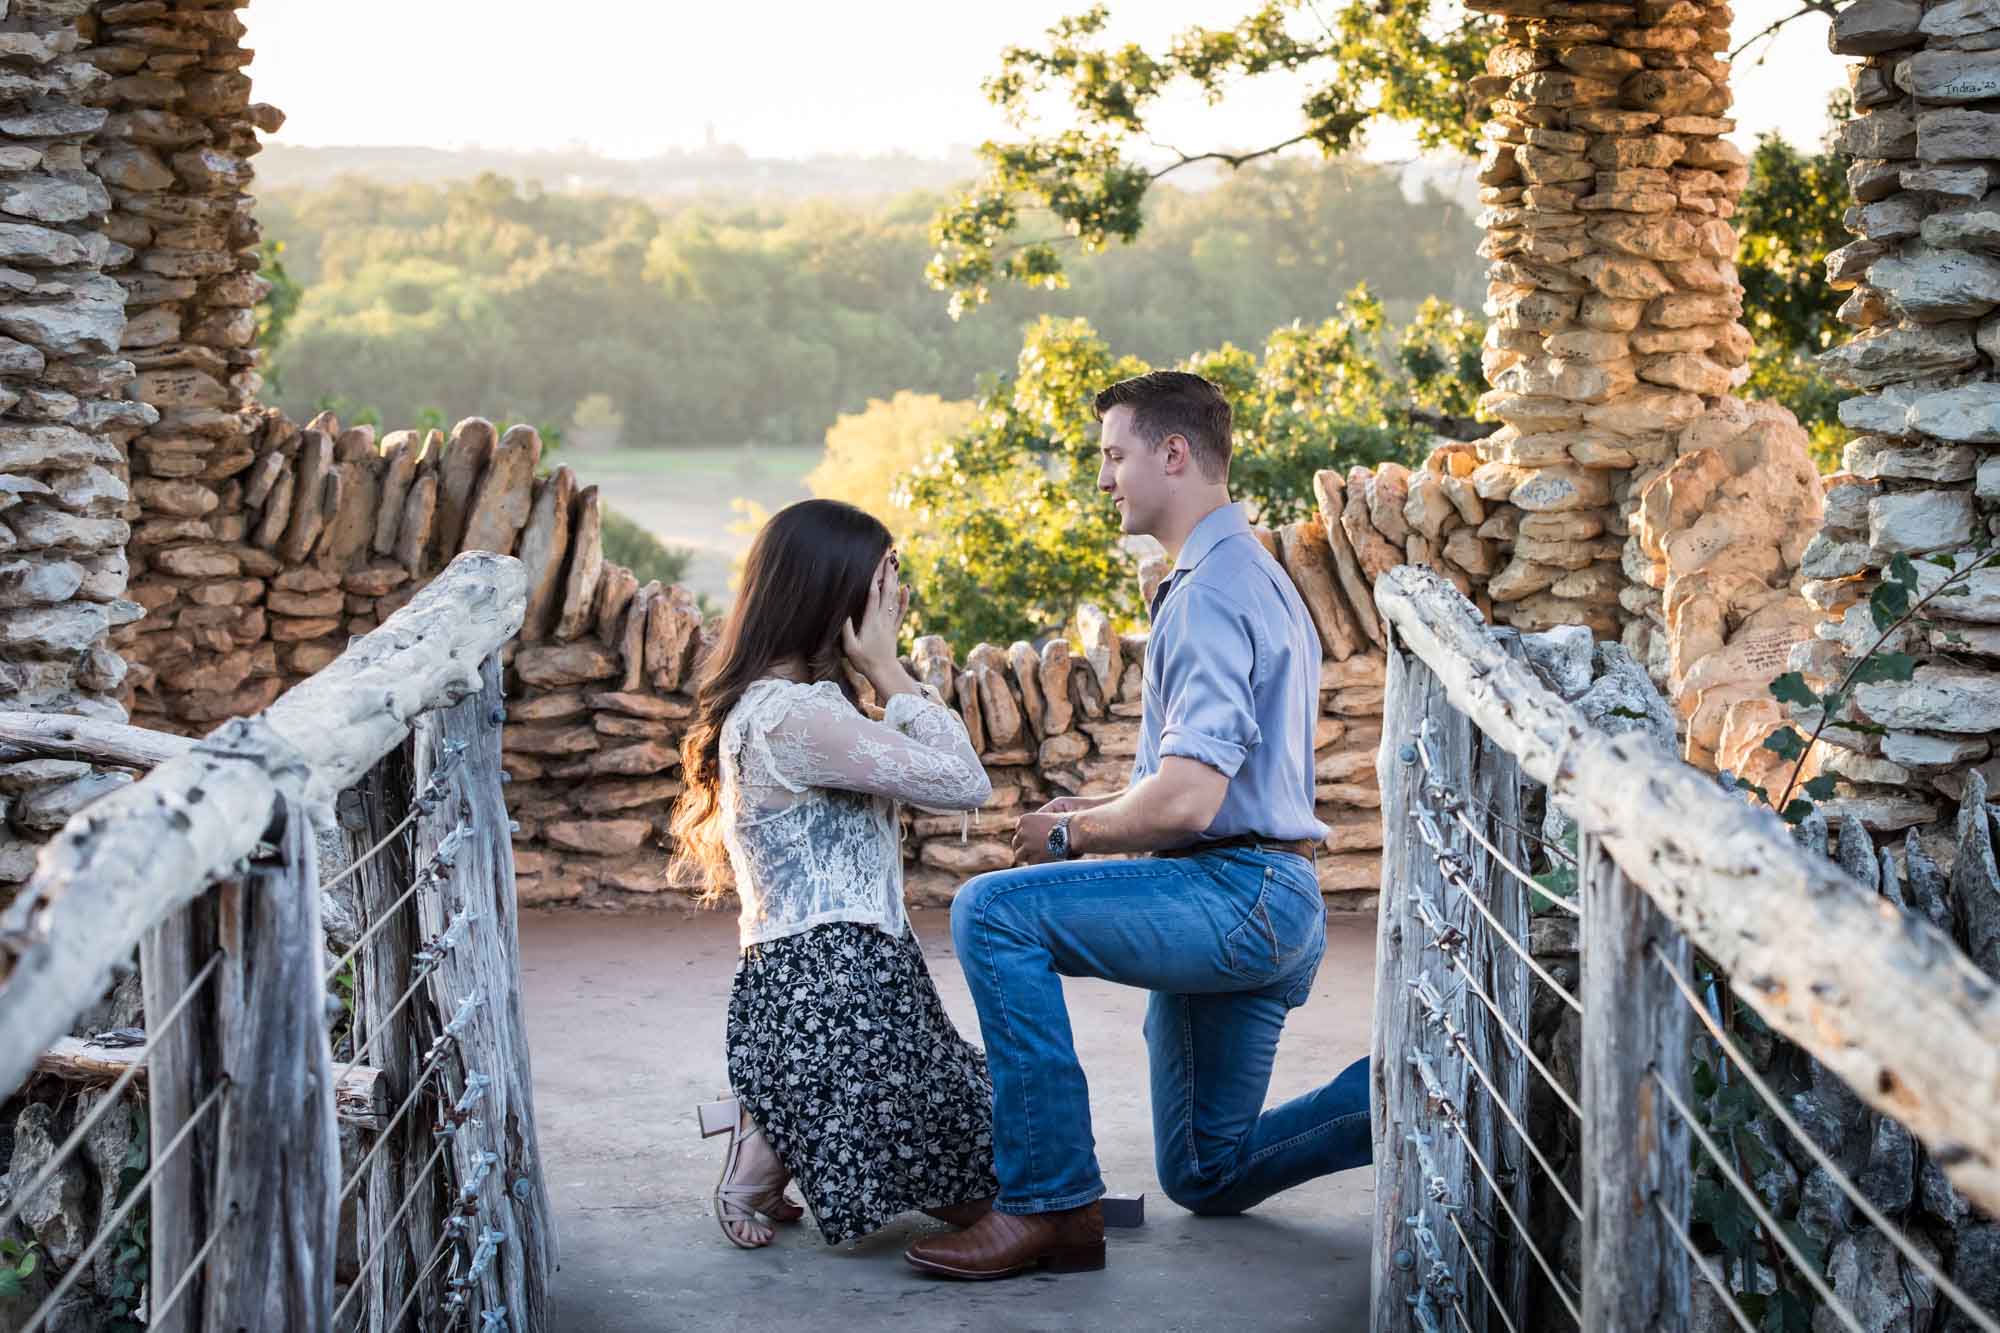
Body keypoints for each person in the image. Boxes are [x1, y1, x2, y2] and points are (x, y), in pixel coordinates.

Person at [904, 371, 1372, 1281]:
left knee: (992, 913)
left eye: (1114, 456)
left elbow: (1190, 801)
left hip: (1236, 896)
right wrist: (1090, 811)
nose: (1105, 478)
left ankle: (1050, 1204)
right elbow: (1206, 788)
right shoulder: (1255, 575)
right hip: (1269, 893)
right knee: (1206, 1169)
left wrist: (1072, 839)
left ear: (1174, 453)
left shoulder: (1207, 592)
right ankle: (1404, 1096)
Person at [673, 498, 998, 1250]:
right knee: (991, 1195)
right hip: (831, 997)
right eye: (882, 589)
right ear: (834, 596)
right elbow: (963, 780)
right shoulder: (792, 717)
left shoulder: (805, 706)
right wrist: (889, 668)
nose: (892, 606)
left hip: (857, 984)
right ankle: (771, 1134)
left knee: (1009, 1151)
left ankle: (779, 1120)